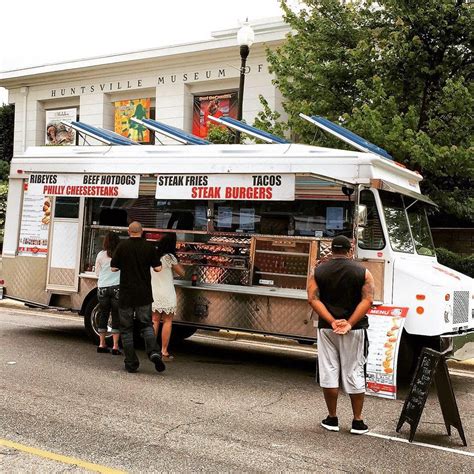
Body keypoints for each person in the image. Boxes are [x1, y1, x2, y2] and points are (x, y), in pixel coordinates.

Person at [307, 235, 374, 435]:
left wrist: (332, 320)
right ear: (349, 250)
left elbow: (312, 298)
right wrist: (349, 323)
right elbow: (368, 300)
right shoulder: (363, 272)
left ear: (332, 250)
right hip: (355, 330)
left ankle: (332, 418)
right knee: (354, 371)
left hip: (327, 329)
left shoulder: (317, 271)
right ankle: (357, 421)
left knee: (329, 371)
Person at [110, 221, 165, 373]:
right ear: (142, 232)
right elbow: (158, 268)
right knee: (146, 325)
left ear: (129, 231)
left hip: (126, 294)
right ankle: (154, 352)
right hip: (144, 294)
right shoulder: (148, 247)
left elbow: (113, 267)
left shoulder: (122, 246)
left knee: (126, 330)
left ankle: (131, 362)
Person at [151, 233, 186, 360]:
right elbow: (182, 273)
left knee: (154, 320)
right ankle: (164, 351)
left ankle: (152, 349)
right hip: (166, 292)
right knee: (167, 321)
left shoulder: (154, 256)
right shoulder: (169, 257)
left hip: (154, 292)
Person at [95, 231, 122, 355]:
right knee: (116, 315)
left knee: (103, 314)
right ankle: (115, 346)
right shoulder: (120, 254)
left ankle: (102, 344)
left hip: (103, 288)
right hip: (117, 287)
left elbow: (97, 273)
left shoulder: (100, 254)